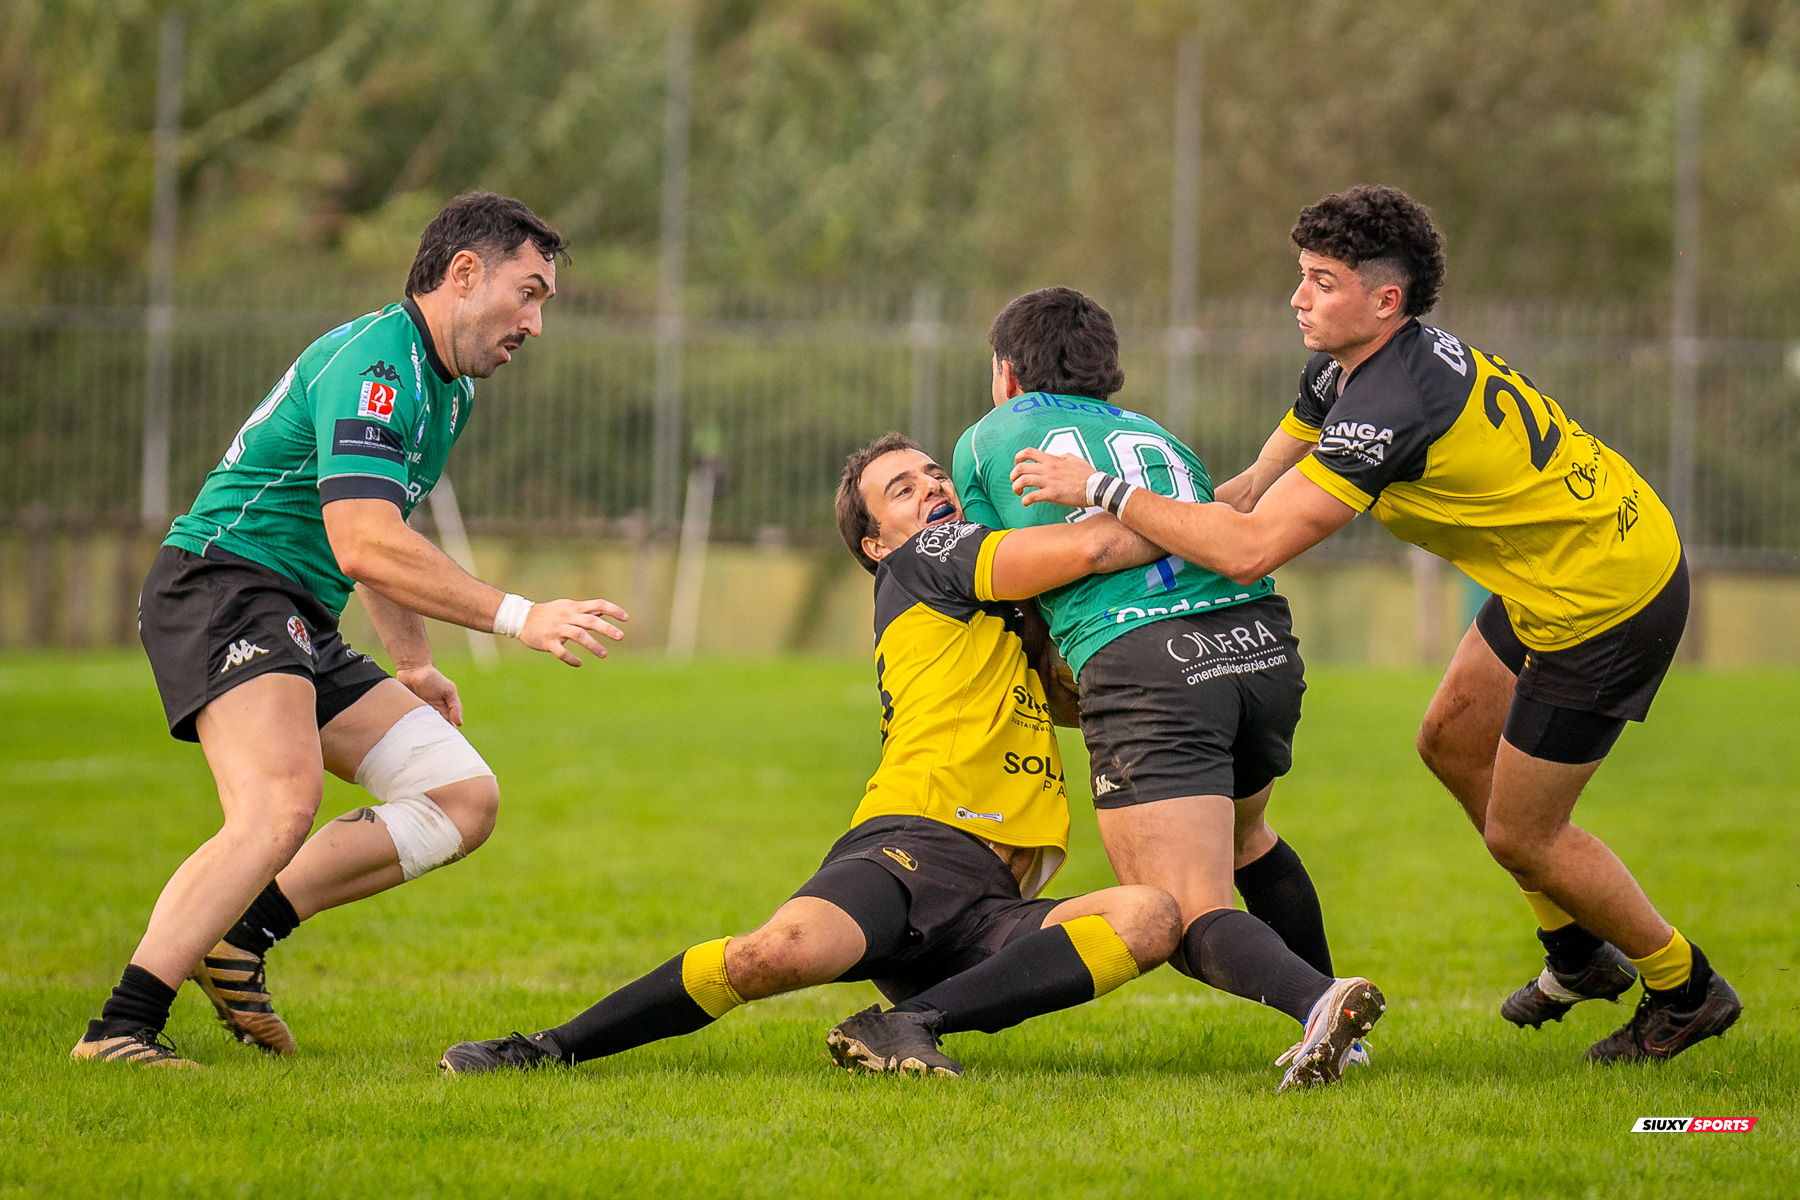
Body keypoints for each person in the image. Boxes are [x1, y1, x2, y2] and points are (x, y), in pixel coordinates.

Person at [1009, 185, 1741, 1064]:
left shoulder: (1391, 402)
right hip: (1561, 570)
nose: (1298, 298)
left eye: (1322, 282)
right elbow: (1245, 494)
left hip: (1607, 598)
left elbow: (1252, 548)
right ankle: (1578, 952)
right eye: (1301, 275)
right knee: (1451, 743)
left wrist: (1102, 489)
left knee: (1524, 834)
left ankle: (1685, 987)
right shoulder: (1343, 369)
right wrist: (1104, 545)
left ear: (1386, 300)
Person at [72, 192, 632, 1069]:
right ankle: (118, 1029)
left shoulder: (447, 391)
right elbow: (362, 539)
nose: (534, 323)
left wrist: (414, 664)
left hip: (296, 612)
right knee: (279, 803)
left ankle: (239, 940)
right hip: (223, 586)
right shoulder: (377, 364)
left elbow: (380, 536)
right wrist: (519, 615)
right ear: (464, 273)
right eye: (528, 294)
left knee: (462, 796)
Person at [440, 435, 1183, 1078]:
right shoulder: (925, 558)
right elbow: (1094, 547)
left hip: (994, 899)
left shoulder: (993, 610)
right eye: (902, 489)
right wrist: (1195, 523)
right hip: (914, 849)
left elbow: (1072, 701)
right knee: (774, 955)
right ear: (877, 545)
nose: (932, 487)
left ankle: (912, 1022)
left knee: (1149, 917)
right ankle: (545, 1049)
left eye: (935, 476)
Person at [953, 287, 1384, 1091]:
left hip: (1152, 662)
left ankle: (1321, 1000)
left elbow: (1009, 578)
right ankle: (1340, 1031)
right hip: (1259, 645)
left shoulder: (989, 438)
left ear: (1006, 373)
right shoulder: (1156, 435)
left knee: (1174, 910)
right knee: (1247, 840)